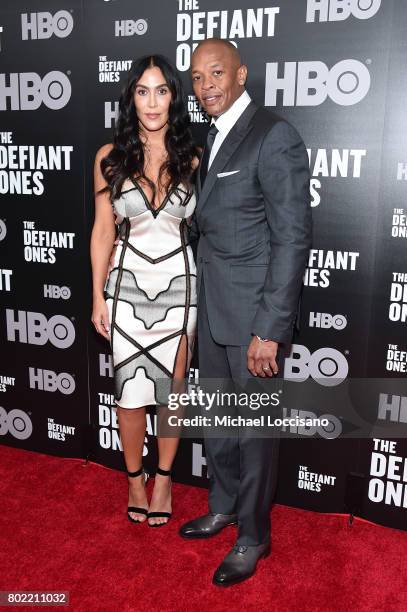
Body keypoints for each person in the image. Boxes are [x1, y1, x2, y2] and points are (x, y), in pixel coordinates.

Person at [179, 39, 312, 586]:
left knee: (254, 432)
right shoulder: (209, 138)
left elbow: (292, 237)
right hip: (211, 310)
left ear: (241, 74)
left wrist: (270, 329)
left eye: (216, 73)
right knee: (219, 423)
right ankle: (225, 504)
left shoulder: (273, 135)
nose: (206, 84)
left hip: (254, 318)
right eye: (197, 77)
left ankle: (254, 536)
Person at [90, 55, 199, 527]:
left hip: (181, 287)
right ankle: (134, 478)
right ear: (130, 97)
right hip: (126, 287)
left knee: (172, 393)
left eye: (161, 90)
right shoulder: (109, 158)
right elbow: (101, 233)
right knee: (130, 394)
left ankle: (165, 477)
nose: (152, 102)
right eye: (142, 91)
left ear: (174, 96)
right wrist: (97, 296)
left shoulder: (194, 156)